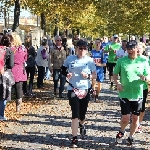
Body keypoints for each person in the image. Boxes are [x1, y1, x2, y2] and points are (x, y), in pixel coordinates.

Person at [113, 40, 150, 145]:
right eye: (128, 48)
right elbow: (114, 75)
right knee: (125, 118)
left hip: (138, 93)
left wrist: (145, 78)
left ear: (136, 49)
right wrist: (118, 83)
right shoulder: (122, 61)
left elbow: (148, 76)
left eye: (131, 48)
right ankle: (122, 130)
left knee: (135, 118)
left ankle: (131, 136)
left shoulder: (143, 61)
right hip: (124, 93)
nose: (129, 50)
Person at [61, 40, 97, 147]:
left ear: (87, 50)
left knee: (82, 114)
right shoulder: (70, 59)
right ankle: (74, 138)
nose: (82, 51)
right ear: (76, 49)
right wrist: (67, 74)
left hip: (85, 89)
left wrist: (89, 76)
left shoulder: (90, 61)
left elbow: (95, 75)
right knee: (75, 114)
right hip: (72, 89)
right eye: (80, 48)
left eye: (84, 49)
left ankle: (82, 124)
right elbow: (62, 70)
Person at [11, 33, 27, 112]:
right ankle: (18, 105)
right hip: (21, 69)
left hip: (12, 69)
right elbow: (25, 58)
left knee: (10, 87)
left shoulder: (11, 49)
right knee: (19, 88)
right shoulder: (23, 49)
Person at [0, 34, 14, 120]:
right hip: (4, 74)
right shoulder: (9, 51)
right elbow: (11, 65)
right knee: (3, 96)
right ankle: (1, 115)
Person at [136, 42, 149, 133]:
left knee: (142, 107)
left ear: (143, 49)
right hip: (131, 87)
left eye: (140, 48)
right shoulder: (129, 59)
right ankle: (135, 122)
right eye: (137, 48)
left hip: (143, 86)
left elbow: (148, 74)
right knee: (133, 106)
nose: (138, 49)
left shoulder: (146, 60)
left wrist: (145, 78)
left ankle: (138, 123)